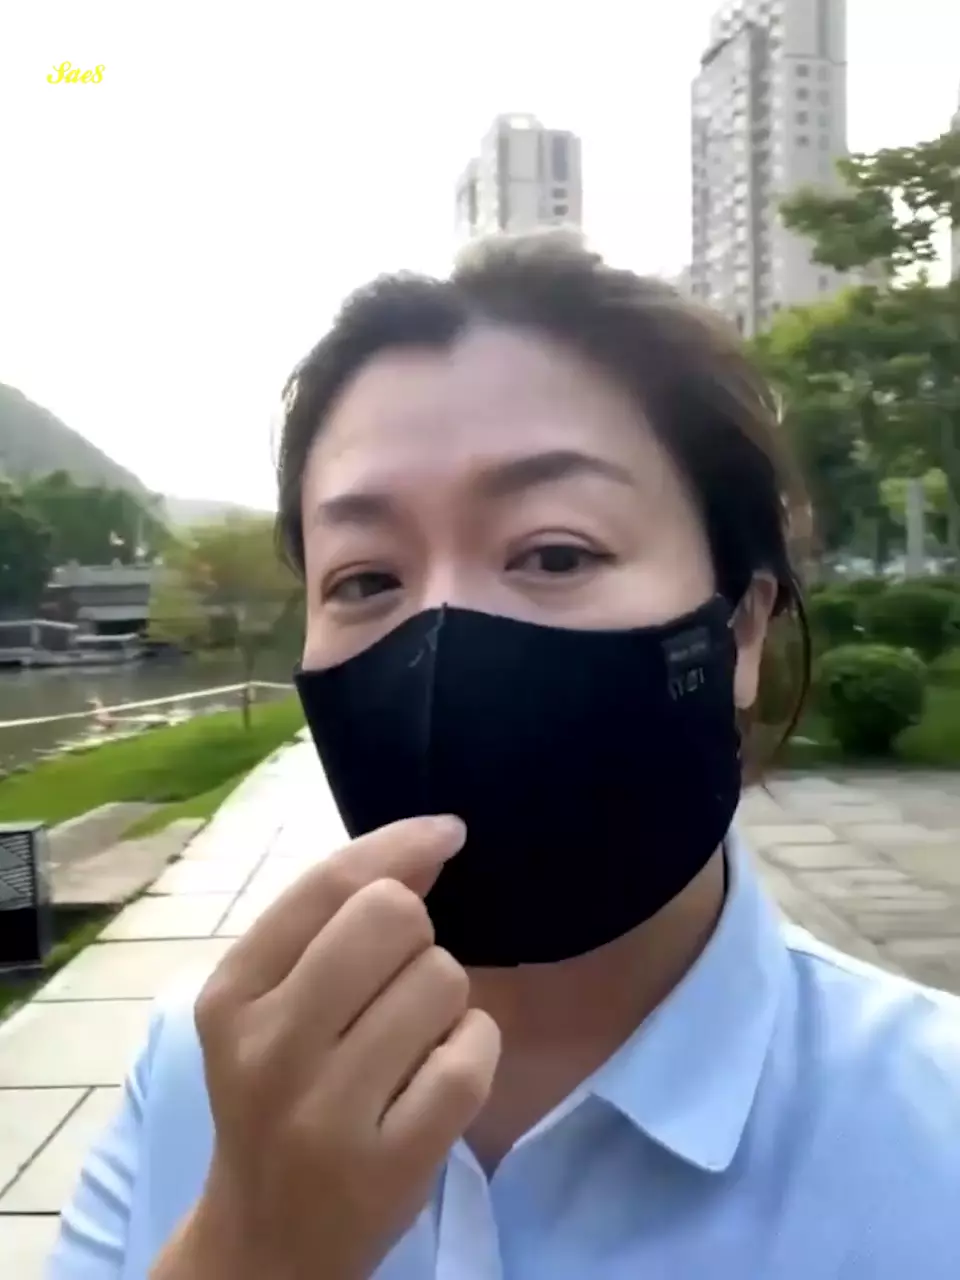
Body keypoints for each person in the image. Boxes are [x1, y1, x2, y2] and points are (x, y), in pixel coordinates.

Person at [51, 232, 960, 1279]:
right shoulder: (205, 1070)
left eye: (555, 552)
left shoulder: (931, 1128)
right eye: (365, 579)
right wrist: (249, 1245)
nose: (442, 632)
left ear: (741, 630)